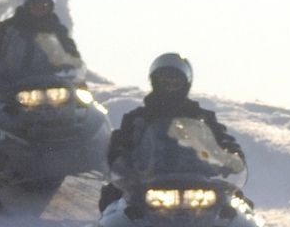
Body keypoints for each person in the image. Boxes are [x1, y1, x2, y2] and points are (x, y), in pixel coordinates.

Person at [100, 52, 243, 211]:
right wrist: (121, 159)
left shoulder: (203, 118)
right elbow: (120, 143)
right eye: (165, 80)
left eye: (176, 81)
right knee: (111, 203)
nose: (170, 84)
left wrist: (231, 156)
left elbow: (222, 140)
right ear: (155, 81)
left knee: (239, 209)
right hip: (146, 183)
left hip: (198, 183)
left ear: (186, 83)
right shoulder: (137, 118)